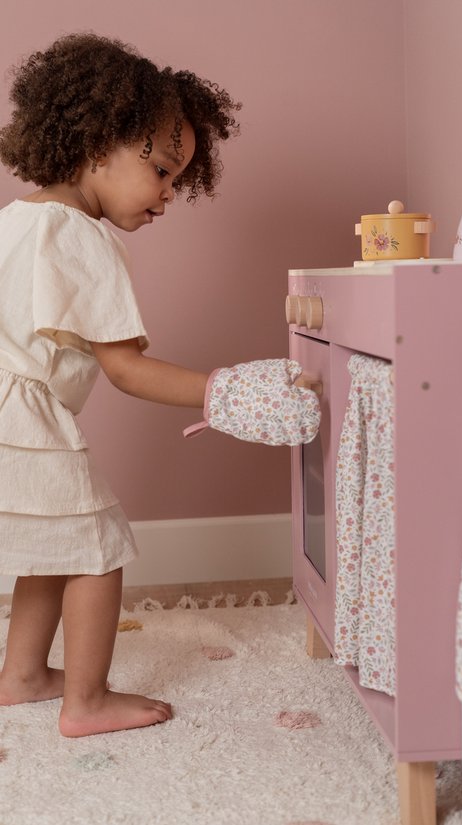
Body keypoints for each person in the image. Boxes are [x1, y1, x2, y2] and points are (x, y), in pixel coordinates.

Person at [0, 32, 241, 737]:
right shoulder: (84, 236)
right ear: (97, 144)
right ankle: (87, 700)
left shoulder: (16, 219)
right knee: (97, 548)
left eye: (178, 181)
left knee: (57, 542)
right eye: (161, 170)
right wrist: (222, 391)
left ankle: (20, 675)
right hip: (21, 417)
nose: (167, 195)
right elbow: (127, 369)